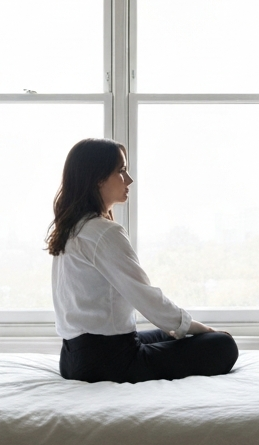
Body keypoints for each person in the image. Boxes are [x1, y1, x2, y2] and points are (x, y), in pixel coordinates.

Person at [47, 138, 238, 383]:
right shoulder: (104, 232)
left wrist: (183, 327)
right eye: (121, 171)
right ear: (98, 178)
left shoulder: (72, 228)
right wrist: (199, 327)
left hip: (72, 359)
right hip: (108, 363)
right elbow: (145, 296)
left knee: (170, 332)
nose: (129, 180)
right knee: (223, 345)